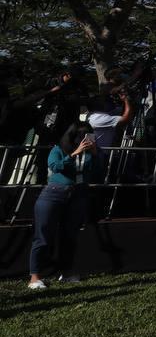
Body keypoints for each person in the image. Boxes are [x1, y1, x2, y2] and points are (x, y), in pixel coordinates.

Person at [28, 124, 103, 290]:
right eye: (84, 136)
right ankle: (35, 276)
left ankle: (66, 272)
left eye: (90, 136)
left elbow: (99, 172)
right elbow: (55, 166)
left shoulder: (92, 152)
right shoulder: (58, 149)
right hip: (54, 194)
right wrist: (74, 154)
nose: (88, 139)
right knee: (44, 235)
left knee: (70, 235)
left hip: (79, 194)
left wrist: (95, 154)